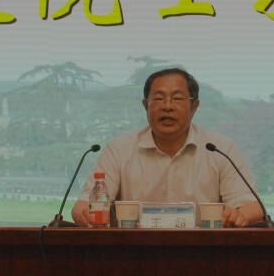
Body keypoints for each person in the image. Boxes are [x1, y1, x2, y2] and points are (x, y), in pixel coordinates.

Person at [71, 68, 264, 227]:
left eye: (177, 98)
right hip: (134, 252)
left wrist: (237, 216)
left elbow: (253, 208)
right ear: (145, 105)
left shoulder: (219, 148)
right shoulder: (119, 149)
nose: (168, 106)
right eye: (159, 98)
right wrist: (85, 214)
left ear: (194, 106)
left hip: (203, 252)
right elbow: (83, 206)